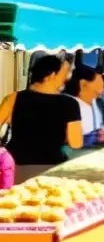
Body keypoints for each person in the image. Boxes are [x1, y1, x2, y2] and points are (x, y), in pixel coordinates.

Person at [0, 55, 82, 183]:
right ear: (51, 75)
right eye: (64, 74)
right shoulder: (70, 103)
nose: (66, 78)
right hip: (52, 169)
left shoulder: (13, 98)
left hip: (17, 168)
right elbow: (76, 142)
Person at [64, 65, 104, 148]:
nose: (100, 91)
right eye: (97, 85)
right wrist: (92, 138)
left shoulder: (96, 104)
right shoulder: (68, 104)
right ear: (83, 84)